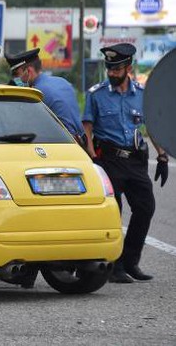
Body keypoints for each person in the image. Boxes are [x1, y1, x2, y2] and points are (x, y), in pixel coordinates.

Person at [83, 43, 169, 283]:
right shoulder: (96, 94)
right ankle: (116, 265)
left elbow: (151, 126)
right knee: (114, 211)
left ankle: (131, 262)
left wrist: (162, 155)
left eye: (116, 69)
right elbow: (87, 127)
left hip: (135, 160)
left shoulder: (142, 95)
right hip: (108, 160)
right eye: (109, 68)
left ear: (128, 68)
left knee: (146, 207)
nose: (111, 73)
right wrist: (92, 157)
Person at [5, 48, 86, 145]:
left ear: (29, 71)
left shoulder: (36, 93)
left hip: (59, 147)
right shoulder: (63, 82)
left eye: (17, 74)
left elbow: (24, 127)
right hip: (80, 145)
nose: (17, 79)